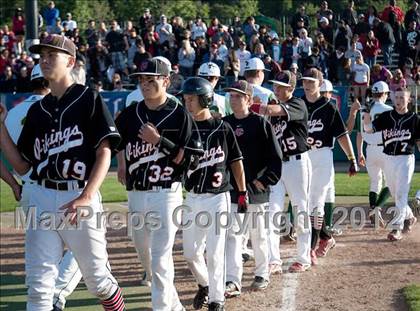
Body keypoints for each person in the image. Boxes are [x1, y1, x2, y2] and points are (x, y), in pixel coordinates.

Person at [0, 34, 125, 310]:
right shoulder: (37, 111)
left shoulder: (88, 97)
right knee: (39, 285)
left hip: (79, 195)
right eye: (41, 56)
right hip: (42, 197)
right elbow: (22, 166)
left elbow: (105, 151)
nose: (44, 60)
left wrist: (87, 195)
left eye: (51, 55)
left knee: (97, 281)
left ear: (70, 61)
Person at [114, 58, 202, 310]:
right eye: (141, 80)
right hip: (136, 194)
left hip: (166, 192)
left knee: (161, 258)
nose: (144, 84)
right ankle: (175, 306)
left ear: (166, 81)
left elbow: (191, 162)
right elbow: (112, 143)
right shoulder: (131, 114)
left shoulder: (179, 114)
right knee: (146, 256)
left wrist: (159, 141)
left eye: (150, 80)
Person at [181, 77, 246, 311]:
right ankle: (205, 284)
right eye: (186, 99)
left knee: (216, 252)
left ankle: (217, 300)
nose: (187, 103)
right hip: (192, 197)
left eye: (192, 99)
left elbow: (236, 162)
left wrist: (242, 191)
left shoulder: (223, 128)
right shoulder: (184, 127)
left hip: (218, 197)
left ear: (206, 99)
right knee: (190, 252)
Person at [223, 80, 282, 297]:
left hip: (256, 190)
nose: (234, 99)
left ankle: (261, 273)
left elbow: (275, 159)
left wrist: (264, 181)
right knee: (233, 236)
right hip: (231, 190)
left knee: (259, 234)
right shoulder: (224, 123)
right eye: (232, 95)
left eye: (238, 95)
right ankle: (232, 280)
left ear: (249, 99)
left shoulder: (261, 123)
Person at [300, 68, 358, 265]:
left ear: (320, 83)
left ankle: (311, 249)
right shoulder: (298, 105)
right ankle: (326, 237)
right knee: (306, 204)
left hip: (323, 156)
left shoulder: (329, 107)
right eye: (305, 81)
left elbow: (342, 135)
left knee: (316, 203)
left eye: (311, 82)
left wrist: (352, 158)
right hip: (302, 157)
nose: (307, 85)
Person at [259, 71, 312, 273]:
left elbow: (272, 110)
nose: (277, 89)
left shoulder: (298, 104)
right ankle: (274, 259)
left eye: (281, 86)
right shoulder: (273, 110)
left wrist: (254, 106)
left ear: (291, 88)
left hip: (298, 163)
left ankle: (303, 257)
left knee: (300, 209)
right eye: (275, 86)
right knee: (272, 212)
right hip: (277, 166)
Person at [363, 87, 419, 241]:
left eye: (402, 97)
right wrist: (366, 112)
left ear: (409, 100)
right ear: (393, 99)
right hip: (388, 158)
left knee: (401, 194)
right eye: (397, 97)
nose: (399, 100)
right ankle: (409, 215)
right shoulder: (387, 117)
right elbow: (368, 129)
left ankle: (397, 228)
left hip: (405, 159)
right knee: (394, 193)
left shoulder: (415, 119)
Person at [347, 81, 393, 227]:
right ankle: (375, 209)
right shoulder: (390, 110)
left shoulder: (364, 111)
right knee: (391, 183)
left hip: (370, 150)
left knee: (375, 182)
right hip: (385, 149)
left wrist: (360, 153)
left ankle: (374, 211)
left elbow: (360, 134)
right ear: (385, 94)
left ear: (373, 94)